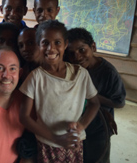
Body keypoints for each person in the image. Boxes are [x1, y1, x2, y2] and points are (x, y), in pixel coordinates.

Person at [19, 20, 100, 163]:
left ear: (65, 44)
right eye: (45, 43)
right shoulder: (35, 78)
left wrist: (81, 125)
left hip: (73, 142)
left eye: (57, 42)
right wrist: (55, 138)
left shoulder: (81, 75)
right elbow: (24, 117)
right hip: (47, 143)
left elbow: (94, 103)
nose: (51, 48)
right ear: (39, 45)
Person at [66, 27, 126, 163]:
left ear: (93, 47)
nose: (77, 57)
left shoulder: (108, 72)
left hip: (99, 128)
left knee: (98, 158)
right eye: (71, 53)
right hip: (77, 127)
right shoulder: (71, 68)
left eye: (82, 50)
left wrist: (91, 96)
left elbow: (119, 102)